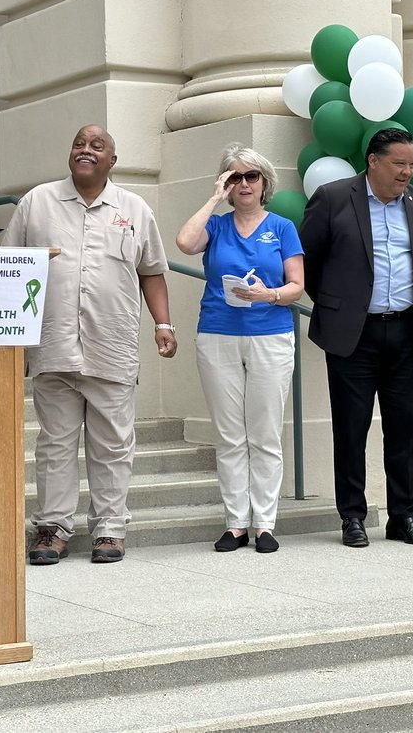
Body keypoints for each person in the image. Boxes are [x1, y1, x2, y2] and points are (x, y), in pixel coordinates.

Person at [1, 124, 178, 565]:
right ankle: (52, 527)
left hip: (111, 344)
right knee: (55, 443)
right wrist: (10, 339)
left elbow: (151, 271)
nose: (86, 149)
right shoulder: (36, 203)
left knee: (113, 444)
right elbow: (8, 268)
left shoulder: (135, 209)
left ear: (112, 161)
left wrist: (164, 324)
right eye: (79, 143)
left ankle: (110, 528)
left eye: (97, 146)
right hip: (53, 345)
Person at [299, 126, 413, 548]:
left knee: (403, 427)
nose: (407, 173)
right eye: (399, 164)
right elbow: (308, 259)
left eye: (412, 165)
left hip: (404, 330)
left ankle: (404, 516)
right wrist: (340, 305)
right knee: (351, 428)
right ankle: (353, 517)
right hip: (352, 335)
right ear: (373, 161)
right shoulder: (335, 197)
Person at [176, 144, 305, 554]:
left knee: (264, 433)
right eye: (235, 177)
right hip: (218, 332)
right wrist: (214, 198)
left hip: (270, 333)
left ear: (265, 182)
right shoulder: (216, 225)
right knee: (230, 435)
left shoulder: (282, 227)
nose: (244, 183)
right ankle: (236, 523)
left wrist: (268, 295)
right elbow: (184, 243)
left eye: (252, 176)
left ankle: (264, 523)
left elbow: (297, 285)